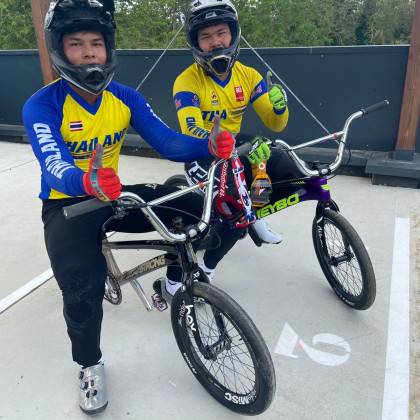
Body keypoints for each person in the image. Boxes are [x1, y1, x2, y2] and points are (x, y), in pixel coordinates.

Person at [22, 0, 234, 415]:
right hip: (69, 205)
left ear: (108, 48)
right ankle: (89, 364)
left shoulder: (125, 97)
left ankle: (175, 282)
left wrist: (205, 146)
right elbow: (53, 163)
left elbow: (167, 141)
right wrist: (85, 180)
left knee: (199, 214)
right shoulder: (41, 106)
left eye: (96, 43)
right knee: (81, 292)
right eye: (77, 44)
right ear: (59, 50)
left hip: (114, 194)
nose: (88, 53)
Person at [172, 0, 301, 281]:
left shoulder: (249, 75)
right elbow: (191, 127)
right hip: (201, 150)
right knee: (234, 219)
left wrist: (280, 108)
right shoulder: (186, 80)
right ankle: (207, 268)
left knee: (279, 164)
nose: (215, 42)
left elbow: (275, 123)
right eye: (205, 37)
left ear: (233, 33)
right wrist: (221, 145)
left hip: (233, 145)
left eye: (221, 32)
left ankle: (256, 212)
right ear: (195, 43)